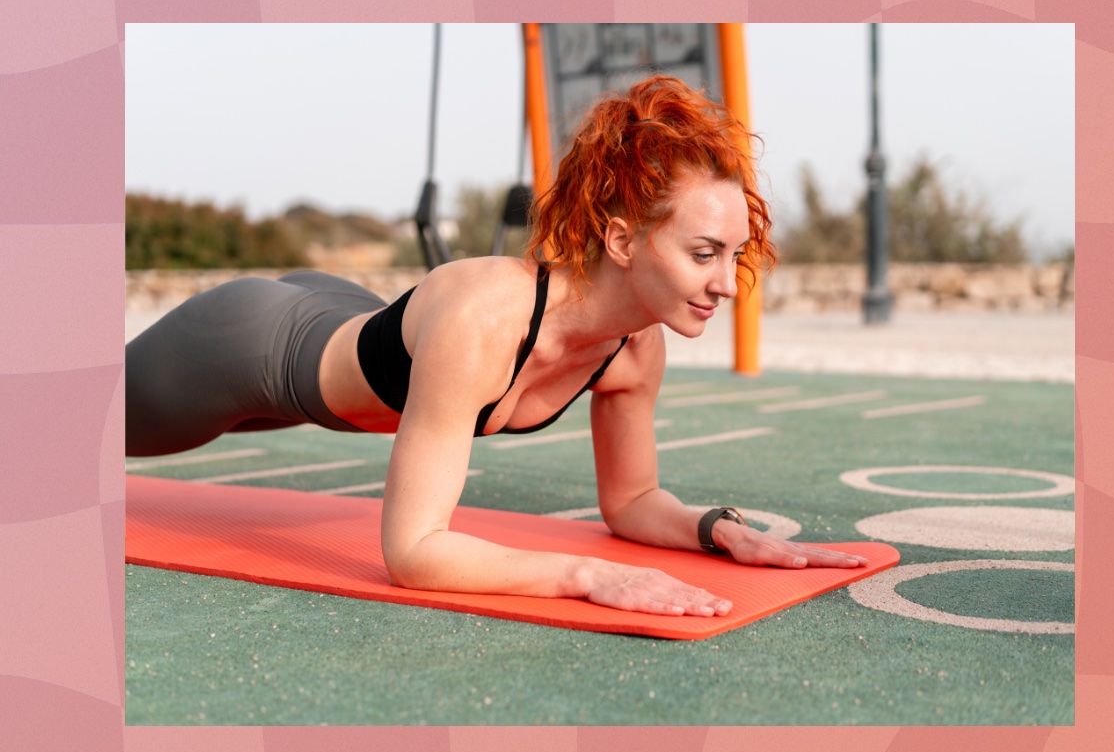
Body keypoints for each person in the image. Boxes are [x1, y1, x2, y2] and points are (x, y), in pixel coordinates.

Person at [126, 76, 865, 618]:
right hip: (252, 345)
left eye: (733, 256)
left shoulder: (635, 348)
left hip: (343, 321)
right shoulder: (486, 317)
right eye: (704, 252)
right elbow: (414, 551)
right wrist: (585, 576)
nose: (728, 284)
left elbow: (632, 500)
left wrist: (718, 531)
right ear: (619, 239)